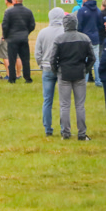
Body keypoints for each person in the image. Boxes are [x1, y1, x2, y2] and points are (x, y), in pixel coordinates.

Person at [50, 15, 95, 140]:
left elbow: (52, 59)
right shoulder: (84, 38)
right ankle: (82, 134)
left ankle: (66, 133)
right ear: (76, 24)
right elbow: (92, 58)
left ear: (65, 25)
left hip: (64, 73)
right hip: (79, 74)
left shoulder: (59, 39)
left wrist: (56, 71)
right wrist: (85, 69)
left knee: (65, 105)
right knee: (80, 105)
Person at [35, 8, 66, 136]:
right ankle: (64, 128)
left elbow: (38, 52)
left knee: (47, 99)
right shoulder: (65, 32)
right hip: (62, 68)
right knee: (64, 101)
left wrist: (41, 64)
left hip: (47, 68)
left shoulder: (43, 33)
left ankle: (47, 128)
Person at [2, 0, 36, 84]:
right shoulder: (28, 11)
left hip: (12, 39)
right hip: (24, 38)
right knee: (25, 59)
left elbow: (5, 25)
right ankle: (27, 78)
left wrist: (5, 36)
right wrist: (26, 32)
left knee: (12, 59)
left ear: (14, 0)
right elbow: (32, 25)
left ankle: (12, 78)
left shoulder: (9, 12)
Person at [76, 0, 102, 86]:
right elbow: (100, 25)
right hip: (95, 38)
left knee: (85, 60)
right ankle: (98, 80)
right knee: (96, 60)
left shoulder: (82, 11)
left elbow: (79, 25)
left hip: (84, 39)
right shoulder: (98, 10)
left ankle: (84, 81)